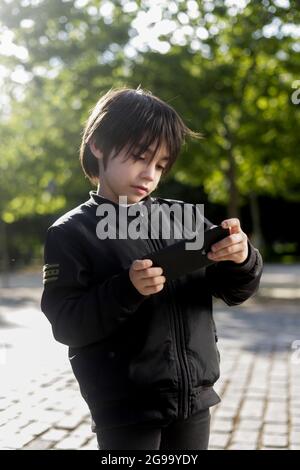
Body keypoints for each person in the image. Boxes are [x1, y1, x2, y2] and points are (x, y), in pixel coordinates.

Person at [41, 86, 263, 450]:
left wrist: (241, 258)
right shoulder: (71, 232)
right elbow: (66, 323)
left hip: (194, 400)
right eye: (140, 158)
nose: (150, 174)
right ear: (98, 145)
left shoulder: (182, 218)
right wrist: (127, 289)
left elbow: (235, 290)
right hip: (125, 409)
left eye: (160, 164)